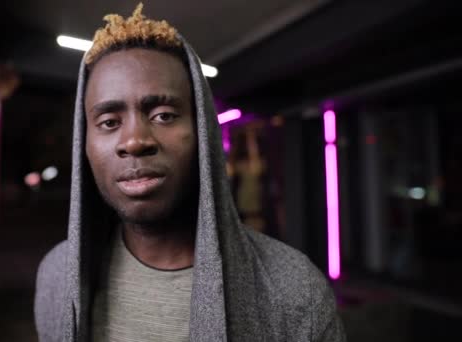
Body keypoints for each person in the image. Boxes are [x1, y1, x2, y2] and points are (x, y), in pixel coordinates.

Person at [35, 4, 346, 341]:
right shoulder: (56, 276)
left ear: (204, 133)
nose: (135, 141)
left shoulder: (295, 293)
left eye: (164, 115)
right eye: (109, 122)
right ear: (85, 144)